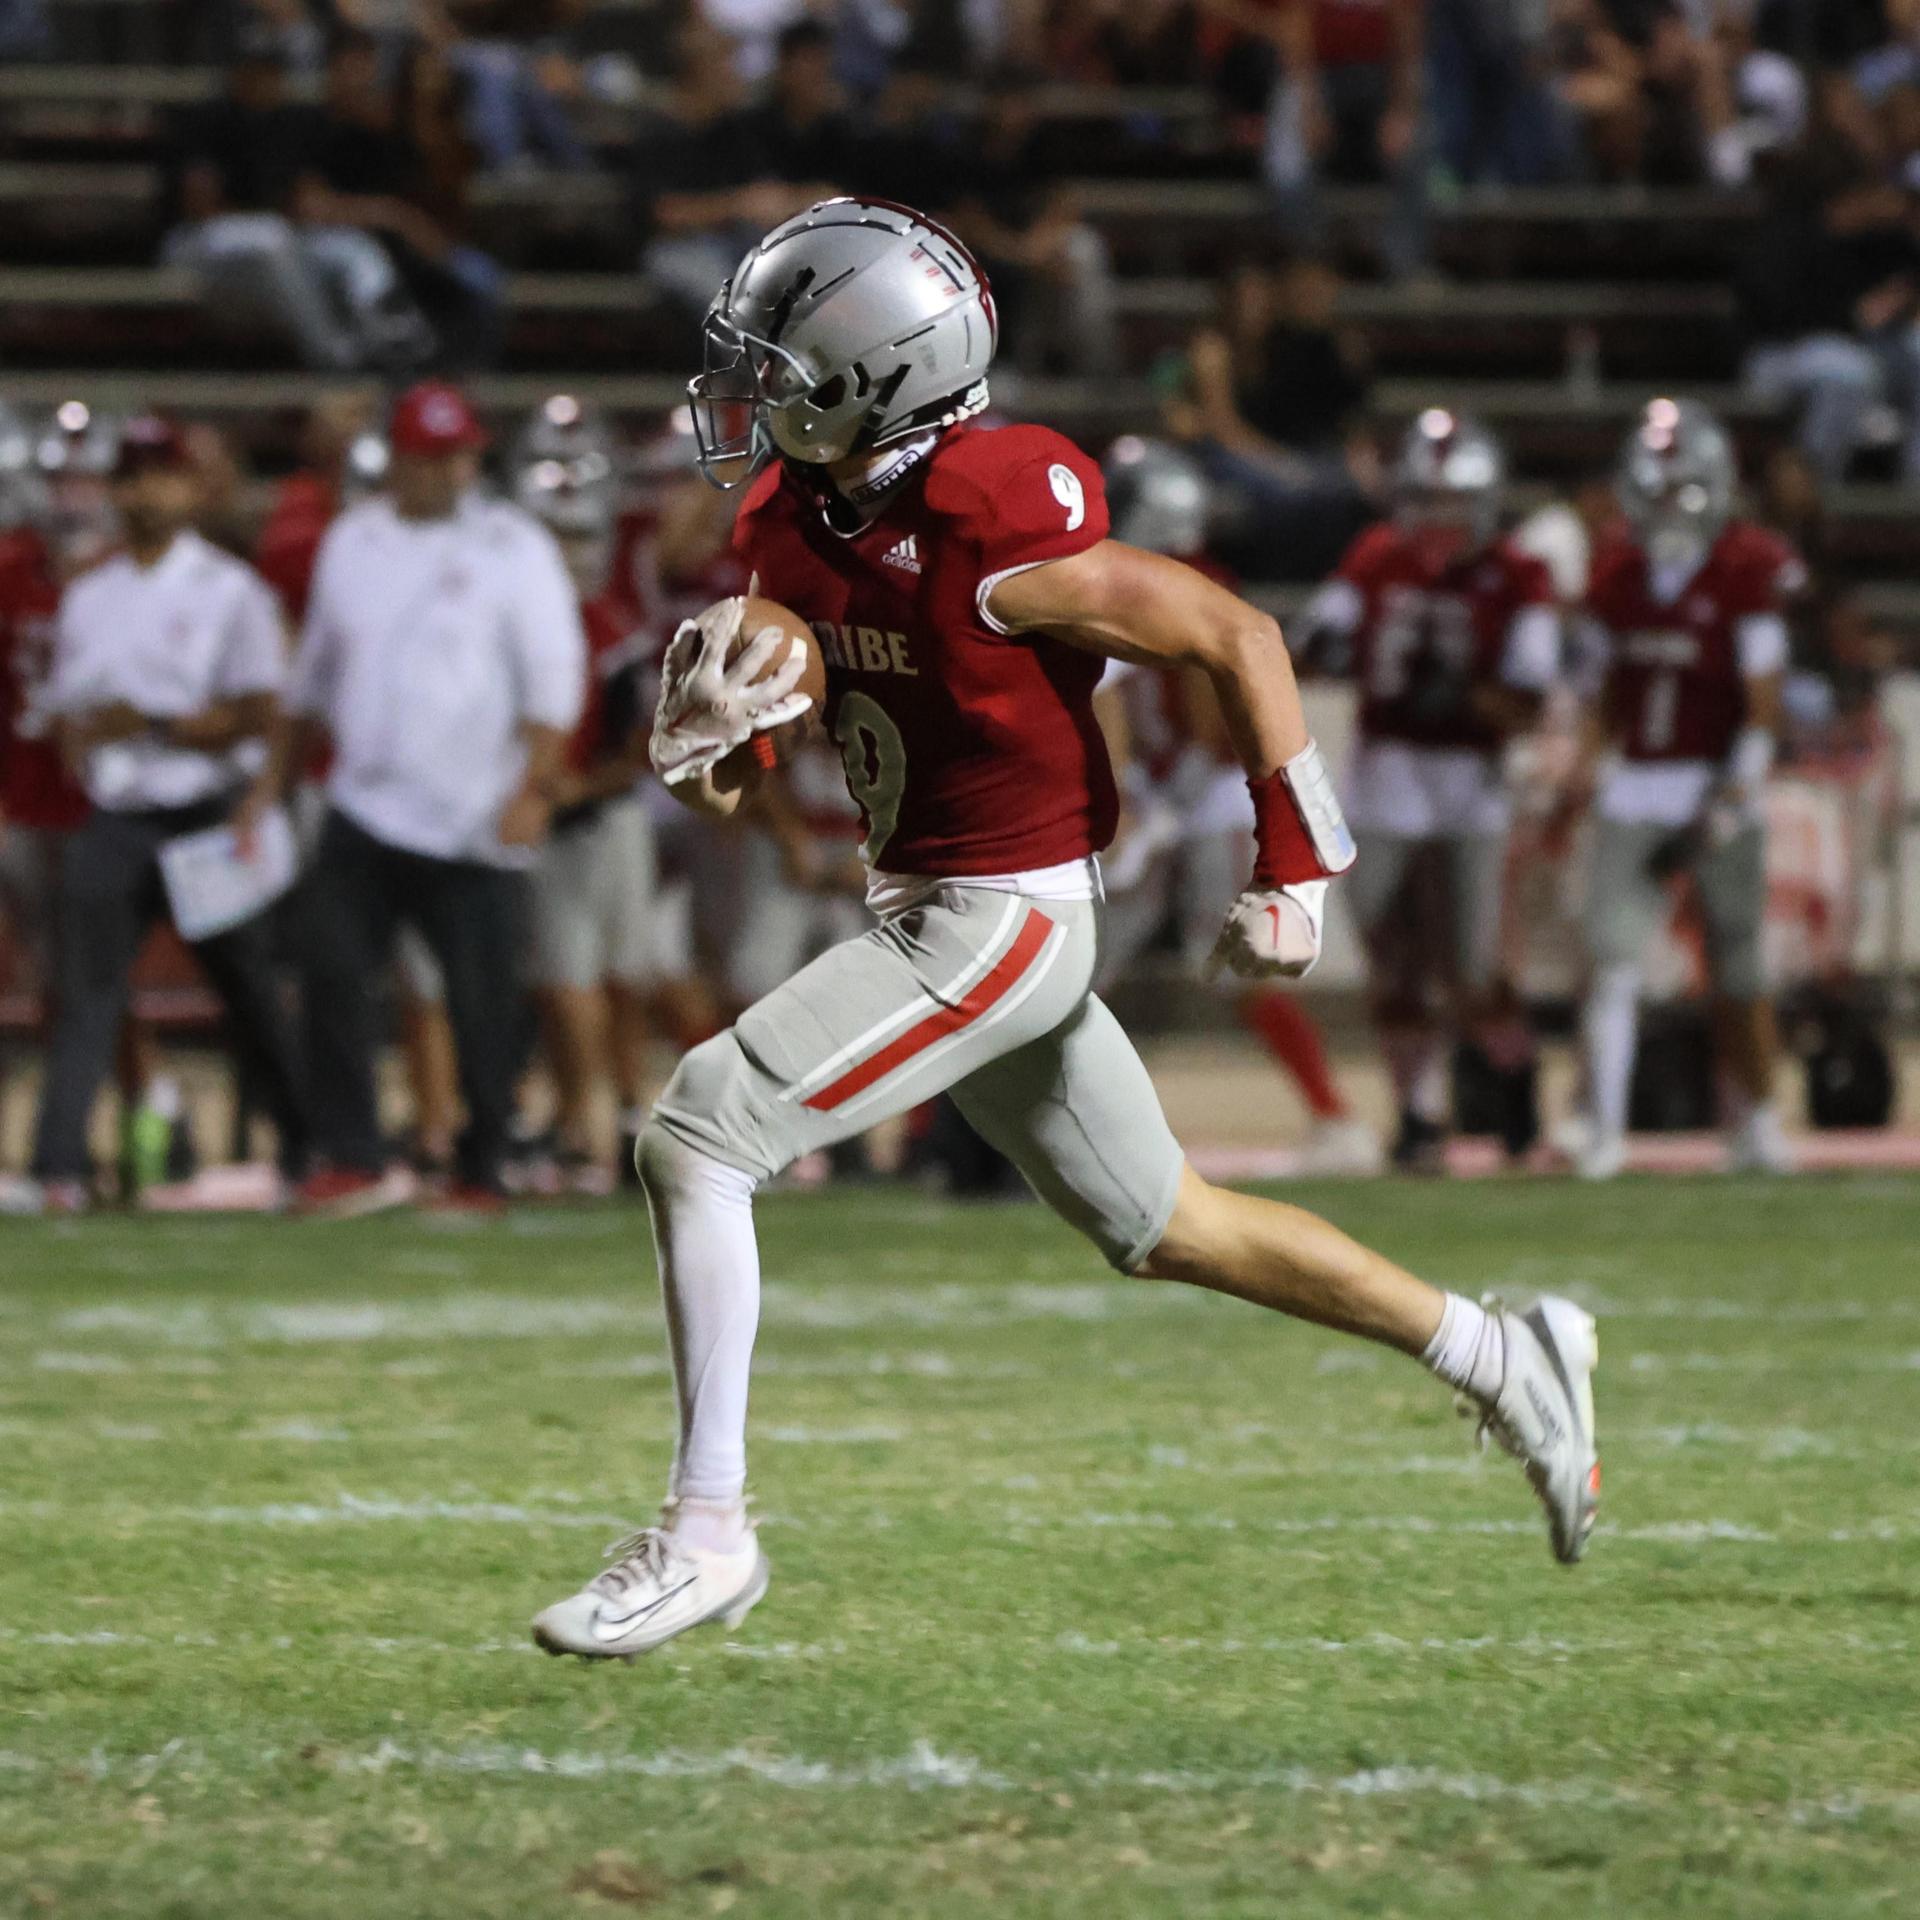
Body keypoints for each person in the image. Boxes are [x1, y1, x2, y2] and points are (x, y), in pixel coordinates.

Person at [530, 198, 1601, 1660]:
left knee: (700, 1131)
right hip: (926, 896)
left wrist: (1294, 869)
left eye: (784, 363)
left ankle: (707, 1532)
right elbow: (785, 737)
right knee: (1170, 1227)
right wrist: (718, 745)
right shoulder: (791, 510)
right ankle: (1501, 1351)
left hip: (1007, 912)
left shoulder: (992, 507)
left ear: (877, 374)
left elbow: (1237, 636)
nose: (755, 390)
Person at [287, 381, 586, 1213]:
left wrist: (534, 787)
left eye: (464, 455)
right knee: (331, 973)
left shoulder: (514, 544)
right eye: (436, 457)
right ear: (401, 461)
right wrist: (272, 787)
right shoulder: (353, 539)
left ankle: (482, 1164)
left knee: (480, 999)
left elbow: (555, 677)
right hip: (362, 804)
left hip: (472, 813)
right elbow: (313, 676)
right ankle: (352, 1154)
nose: (455, 471)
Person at [30, 416, 312, 1209]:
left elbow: (260, 713)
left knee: (248, 992)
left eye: (160, 475)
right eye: (131, 477)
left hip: (204, 812)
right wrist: (86, 742)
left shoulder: (229, 589)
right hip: (117, 814)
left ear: (189, 488)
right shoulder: (90, 594)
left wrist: (153, 724)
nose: (144, 492)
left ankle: (309, 1149)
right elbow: (70, 712)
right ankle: (58, 1168)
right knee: (86, 992)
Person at [1093, 436, 1382, 1175]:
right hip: (1160, 794)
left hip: (1211, 799)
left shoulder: (1189, 584)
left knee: (1239, 963)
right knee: (1089, 959)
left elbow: (1213, 728)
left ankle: (1336, 1119)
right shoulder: (1122, 576)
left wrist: (1161, 808)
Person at [1296, 411, 1560, 1171]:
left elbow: (1529, 702)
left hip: (1469, 786)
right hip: (1385, 776)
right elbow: (1310, 643)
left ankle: (1516, 1090)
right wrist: (1326, 645)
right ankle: (1418, 1115)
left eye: (1455, 502)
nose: (1441, 518)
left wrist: (1468, 696)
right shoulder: (1377, 556)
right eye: (1427, 499)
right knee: (1394, 966)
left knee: (1471, 970)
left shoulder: (1518, 574)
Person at [1569, 397, 1798, 1181]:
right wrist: (1591, 772)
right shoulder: (1616, 574)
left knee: (1739, 971)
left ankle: (1758, 1122)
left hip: (1716, 785)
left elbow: (1763, 703)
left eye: (1683, 487)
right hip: (1637, 786)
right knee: (1612, 963)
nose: (1670, 503)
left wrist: (1735, 795)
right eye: (1657, 488)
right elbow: (1598, 694)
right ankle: (1604, 1131)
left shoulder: (1745, 568)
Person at [510, 394, 656, 1192]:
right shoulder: (511, 623)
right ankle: (579, 1121)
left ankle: (625, 1112)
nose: (569, 552)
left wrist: (574, 786)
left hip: (604, 817)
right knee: (562, 985)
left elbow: (641, 750)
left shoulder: (613, 628)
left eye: (578, 535)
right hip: (540, 820)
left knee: (620, 980)